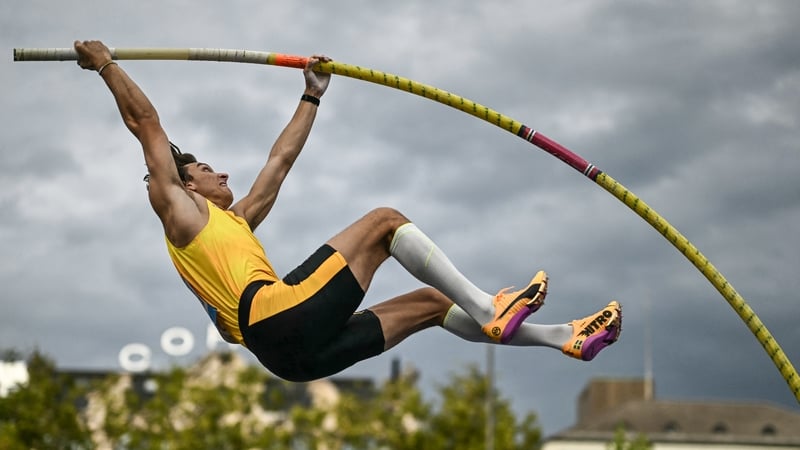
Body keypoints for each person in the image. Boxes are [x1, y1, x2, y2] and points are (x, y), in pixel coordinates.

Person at [74, 40, 622, 382]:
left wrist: (311, 94)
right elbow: (146, 123)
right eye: (208, 171)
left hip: (292, 358)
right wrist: (106, 66)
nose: (222, 175)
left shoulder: (234, 222)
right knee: (384, 222)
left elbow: (280, 161)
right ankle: (491, 307)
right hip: (273, 317)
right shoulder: (182, 215)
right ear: (185, 184)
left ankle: (564, 338)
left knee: (432, 303)